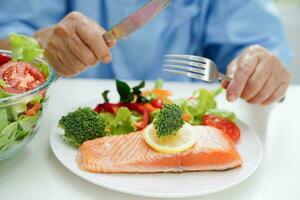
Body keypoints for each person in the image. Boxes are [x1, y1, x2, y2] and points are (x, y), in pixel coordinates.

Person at [0, 0, 292, 105]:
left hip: (184, 116)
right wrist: (40, 45)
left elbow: (257, 42)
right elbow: (7, 37)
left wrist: (258, 69)